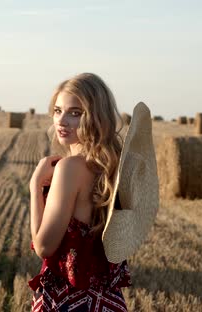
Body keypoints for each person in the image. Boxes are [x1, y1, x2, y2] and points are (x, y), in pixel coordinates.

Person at [28, 73, 132, 312]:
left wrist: (35, 186)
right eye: (58, 110)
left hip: (70, 301)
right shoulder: (115, 166)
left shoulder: (70, 168)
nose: (62, 121)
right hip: (108, 302)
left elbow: (44, 247)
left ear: (96, 117)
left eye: (76, 113)